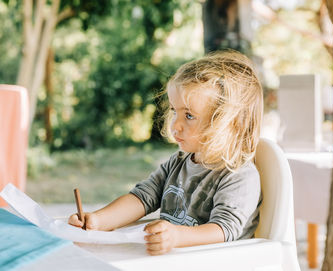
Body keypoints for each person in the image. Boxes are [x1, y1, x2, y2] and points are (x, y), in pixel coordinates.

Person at [69, 49, 263, 256]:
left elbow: (225, 229)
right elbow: (143, 198)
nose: (175, 125)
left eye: (189, 115)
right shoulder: (178, 162)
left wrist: (177, 237)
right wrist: (98, 221)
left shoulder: (240, 175)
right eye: (174, 111)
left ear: (228, 123)